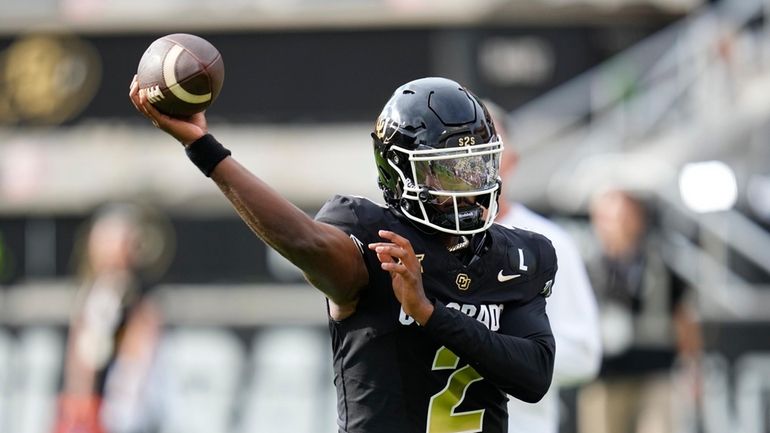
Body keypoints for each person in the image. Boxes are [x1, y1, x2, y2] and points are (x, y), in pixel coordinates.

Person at [129, 75, 558, 433]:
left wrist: (429, 312)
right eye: (446, 171)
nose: (467, 188)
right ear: (400, 170)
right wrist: (205, 149)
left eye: (476, 168)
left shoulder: (519, 256)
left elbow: (534, 376)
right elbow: (304, 242)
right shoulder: (373, 236)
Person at [485, 102, 602, 433]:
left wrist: (487, 348)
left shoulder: (548, 244)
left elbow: (584, 354)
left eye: (487, 145)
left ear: (512, 160)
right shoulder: (420, 241)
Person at [578, 189, 702, 433]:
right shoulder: (587, 269)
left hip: (655, 374)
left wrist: (693, 368)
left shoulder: (661, 266)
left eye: (624, 217)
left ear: (639, 220)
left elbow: (683, 318)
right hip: (606, 378)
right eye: (609, 219)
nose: (617, 226)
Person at [54, 204, 168, 433]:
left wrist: (123, 407)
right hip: (86, 410)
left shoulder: (137, 298)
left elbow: (138, 355)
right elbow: (79, 357)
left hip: (118, 410)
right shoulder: (90, 293)